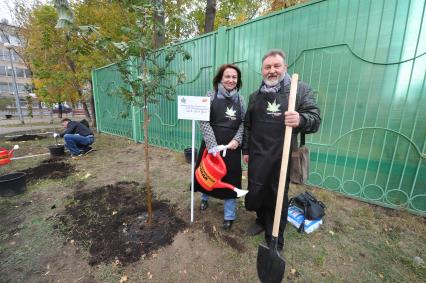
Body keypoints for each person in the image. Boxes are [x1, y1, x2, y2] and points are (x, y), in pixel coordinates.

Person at [242, 49, 321, 250]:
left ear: (285, 67)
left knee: (277, 195)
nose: (272, 71)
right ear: (262, 71)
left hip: (282, 156)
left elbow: (315, 119)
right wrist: (246, 150)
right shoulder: (255, 96)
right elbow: (248, 126)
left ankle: (275, 235)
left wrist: (301, 119)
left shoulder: (299, 90)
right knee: (257, 189)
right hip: (258, 155)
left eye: (277, 66)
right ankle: (261, 221)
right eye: (267, 67)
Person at [194, 64, 246, 231]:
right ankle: (204, 197)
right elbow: (204, 121)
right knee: (208, 173)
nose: (231, 80)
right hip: (212, 146)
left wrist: (237, 141)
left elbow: (244, 123)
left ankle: (229, 215)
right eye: (227, 77)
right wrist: (212, 146)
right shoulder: (210, 95)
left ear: (238, 81)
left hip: (232, 149)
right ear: (220, 78)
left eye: (234, 77)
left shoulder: (241, 99)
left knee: (230, 180)